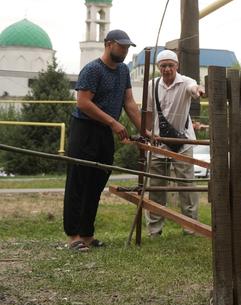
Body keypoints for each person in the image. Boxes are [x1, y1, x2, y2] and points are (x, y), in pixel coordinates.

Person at [64, 29, 142, 252]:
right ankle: (74, 237)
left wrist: (145, 132)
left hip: (105, 133)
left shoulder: (123, 71)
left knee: (96, 183)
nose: (125, 51)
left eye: (128, 48)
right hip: (85, 130)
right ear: (108, 44)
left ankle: (87, 236)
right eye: (122, 46)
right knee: (78, 183)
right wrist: (113, 123)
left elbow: (129, 103)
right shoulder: (92, 69)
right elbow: (83, 103)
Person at [145, 49, 205, 237]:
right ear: (158, 67)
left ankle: (190, 227)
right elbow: (147, 112)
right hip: (158, 143)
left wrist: (200, 90)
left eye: (171, 65)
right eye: (163, 66)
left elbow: (194, 89)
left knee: (186, 185)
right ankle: (154, 230)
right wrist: (147, 134)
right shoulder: (152, 85)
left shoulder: (186, 81)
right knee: (156, 186)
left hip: (182, 142)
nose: (167, 69)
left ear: (177, 66)